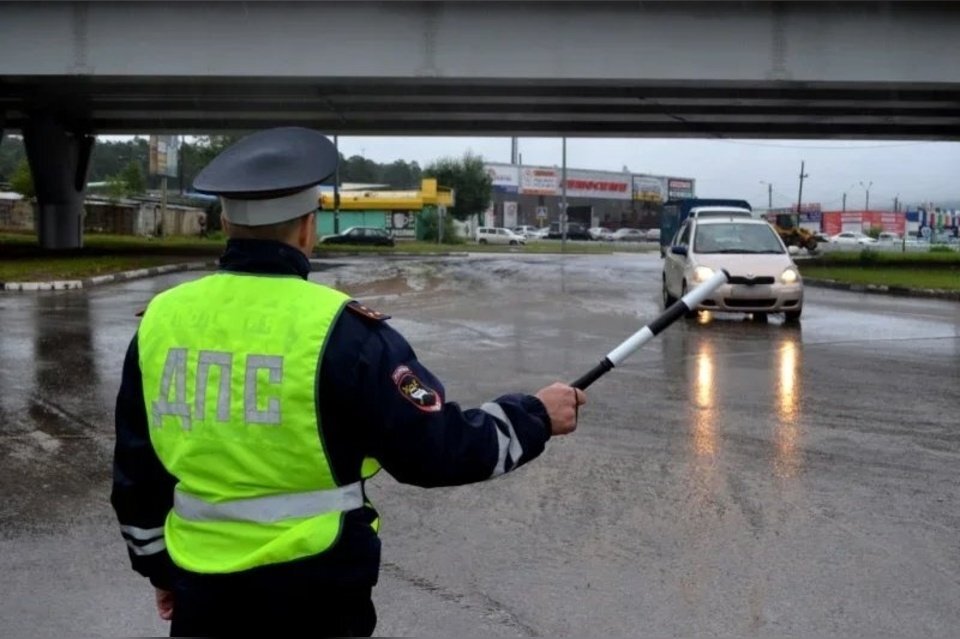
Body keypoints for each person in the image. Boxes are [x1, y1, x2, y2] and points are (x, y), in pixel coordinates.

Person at [111, 127, 586, 637]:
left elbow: (137, 469)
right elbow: (435, 449)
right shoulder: (342, 330)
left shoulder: (163, 320)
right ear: (306, 229)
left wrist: (160, 570)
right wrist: (535, 416)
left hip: (201, 595)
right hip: (318, 595)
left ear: (224, 221)